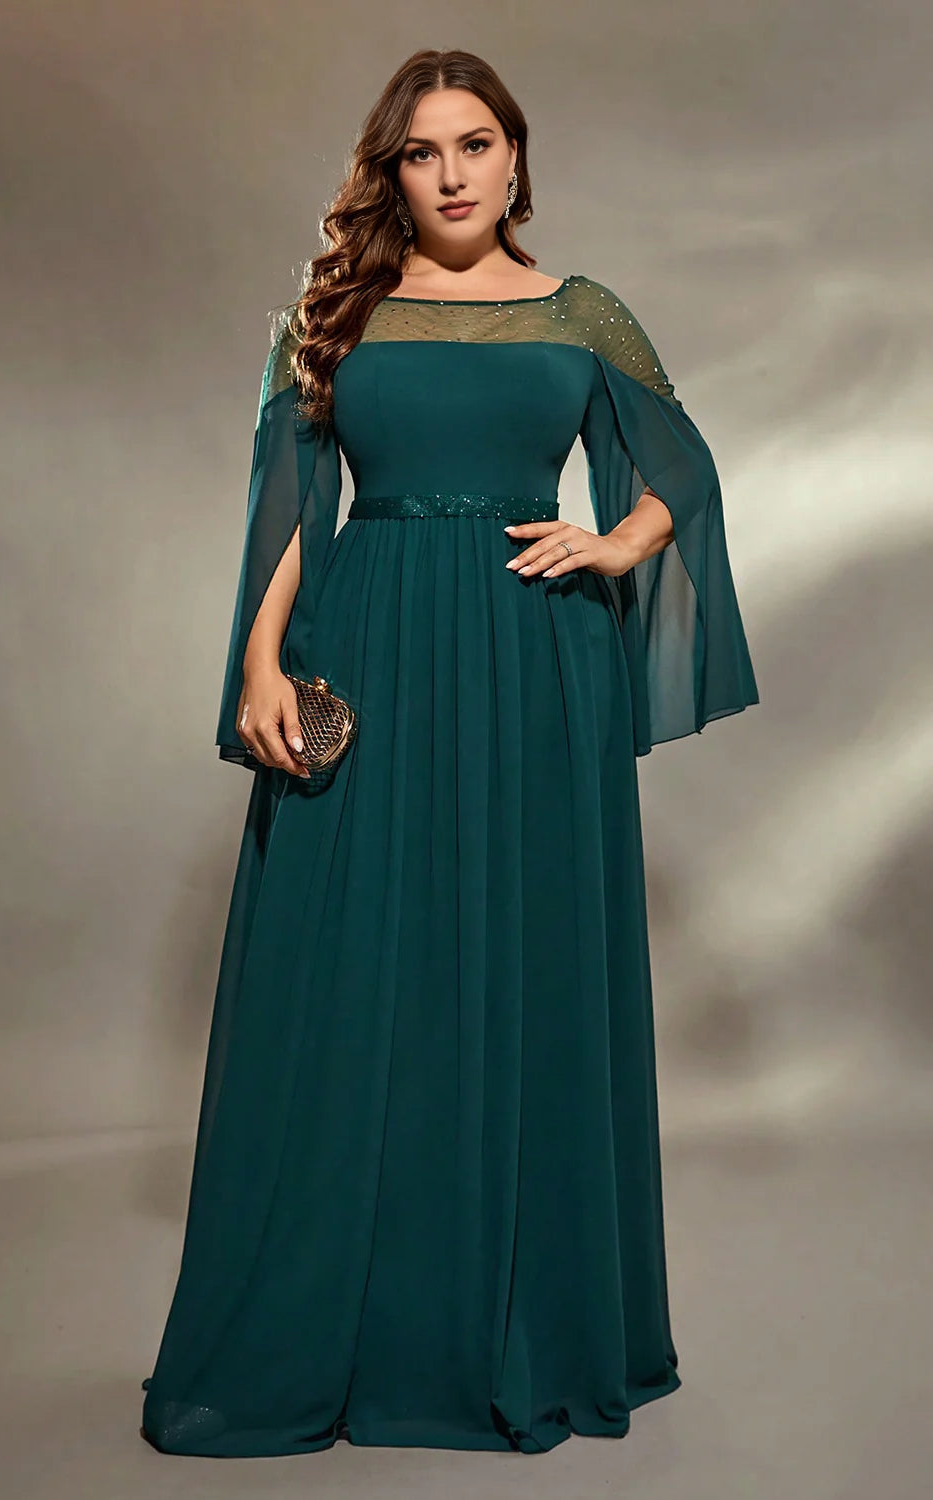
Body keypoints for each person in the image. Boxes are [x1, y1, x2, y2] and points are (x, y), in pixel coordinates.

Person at [140, 47, 759, 1459]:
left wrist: (615, 543)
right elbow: (288, 500)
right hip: (371, 647)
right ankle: (358, 1321)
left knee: (526, 963)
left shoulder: (582, 311)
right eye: (422, 152)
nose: (453, 173)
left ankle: (520, 1319)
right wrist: (259, 661)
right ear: (394, 171)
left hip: (538, 664)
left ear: (516, 156)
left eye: (476, 143)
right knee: (357, 973)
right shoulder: (334, 315)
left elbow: (684, 473)